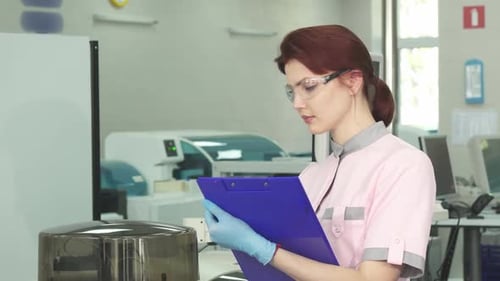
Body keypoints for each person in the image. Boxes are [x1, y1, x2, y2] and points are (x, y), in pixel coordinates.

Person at [203, 24, 436, 281]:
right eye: (291, 91)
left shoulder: (404, 165)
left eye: (309, 87)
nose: (297, 103)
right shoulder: (312, 175)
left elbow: (373, 279)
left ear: (353, 81)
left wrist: (265, 251)